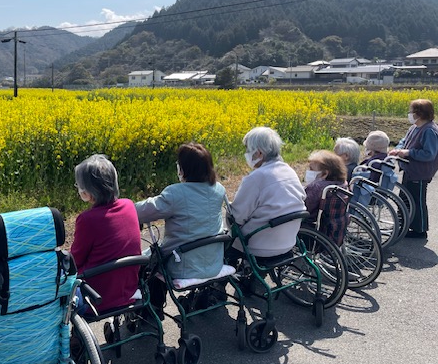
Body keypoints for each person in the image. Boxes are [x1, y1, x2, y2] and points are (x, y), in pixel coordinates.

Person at [135, 142, 225, 313]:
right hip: (213, 261)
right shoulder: (218, 189)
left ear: (184, 169)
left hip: (183, 266)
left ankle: (153, 308)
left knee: (149, 262)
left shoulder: (175, 194)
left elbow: (145, 210)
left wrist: (124, 207)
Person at [70, 154, 142, 313]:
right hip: (128, 288)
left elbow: (75, 260)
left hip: (97, 296)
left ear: (87, 191)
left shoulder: (87, 219)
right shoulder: (129, 205)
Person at [228, 127, 306, 259]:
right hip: (289, 241)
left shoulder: (256, 178)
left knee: (227, 247)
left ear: (259, 153)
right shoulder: (289, 171)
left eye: (248, 150)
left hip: (259, 245)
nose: (247, 154)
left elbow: (237, 216)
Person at [389, 99, 438, 239]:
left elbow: (429, 154)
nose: (409, 114)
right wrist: (398, 149)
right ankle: (403, 225)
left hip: (420, 172)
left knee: (417, 201)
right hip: (409, 170)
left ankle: (420, 230)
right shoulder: (414, 127)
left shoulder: (429, 130)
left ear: (419, 113)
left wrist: (409, 152)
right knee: (404, 198)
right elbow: (404, 141)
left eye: (411, 111)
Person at [304, 150, 349, 246]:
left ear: (325, 173)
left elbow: (306, 208)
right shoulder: (342, 184)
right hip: (335, 232)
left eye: (311, 169)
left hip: (313, 233)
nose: (308, 171)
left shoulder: (317, 187)